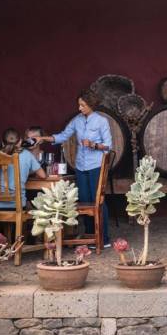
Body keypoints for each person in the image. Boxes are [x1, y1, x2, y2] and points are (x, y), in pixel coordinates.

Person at [38, 89, 112, 246]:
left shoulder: (101, 121)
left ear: (91, 105)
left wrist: (94, 145)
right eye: (79, 105)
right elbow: (63, 136)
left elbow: (108, 146)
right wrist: (43, 138)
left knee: (98, 201)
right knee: (84, 201)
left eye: (83, 105)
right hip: (81, 166)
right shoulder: (77, 120)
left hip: (96, 165)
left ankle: (103, 238)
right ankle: (91, 235)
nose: (79, 108)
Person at [0, 128, 47, 210]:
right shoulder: (27, 154)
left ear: (2, 142)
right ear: (20, 141)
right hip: (16, 205)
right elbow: (43, 175)